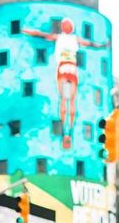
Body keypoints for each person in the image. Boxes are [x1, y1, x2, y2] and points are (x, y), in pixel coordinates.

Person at [22, 18, 109, 149]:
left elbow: (40, 34)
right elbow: (90, 44)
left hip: (63, 69)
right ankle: (70, 131)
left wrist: (25, 30)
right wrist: (102, 45)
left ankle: (65, 131)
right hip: (72, 69)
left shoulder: (58, 37)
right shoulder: (75, 39)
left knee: (64, 100)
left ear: (63, 27)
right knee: (71, 101)